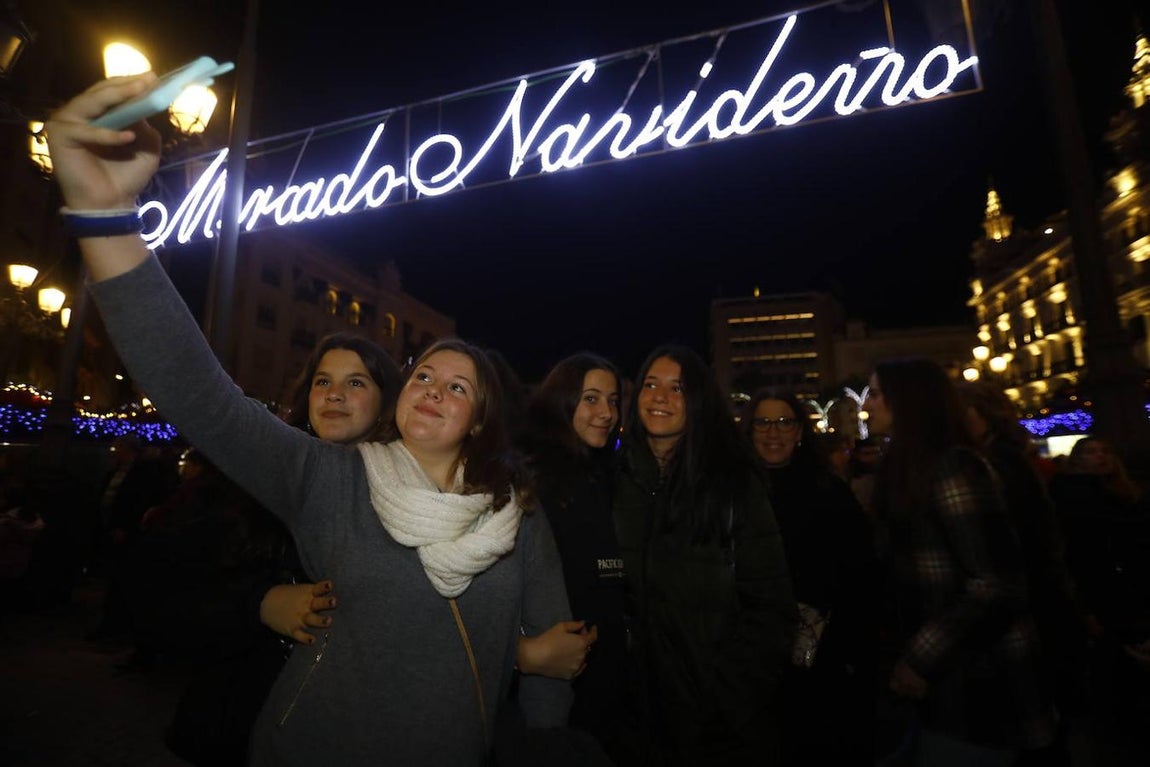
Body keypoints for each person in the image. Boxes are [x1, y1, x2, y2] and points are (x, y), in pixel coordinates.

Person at [45, 73, 572, 767]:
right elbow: (200, 393)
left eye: (458, 387)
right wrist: (106, 216)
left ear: (480, 421)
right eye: (422, 375)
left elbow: (555, 649)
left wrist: (541, 721)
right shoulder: (331, 477)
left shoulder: (515, 510)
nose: (433, 389)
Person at [163, 332, 403, 766]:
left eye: (355, 382)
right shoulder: (255, 478)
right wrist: (260, 602)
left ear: (386, 401)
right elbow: (178, 593)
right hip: (242, 713)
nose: (334, 394)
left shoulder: (407, 500)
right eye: (322, 381)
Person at [864, 358, 1056, 766]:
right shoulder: (909, 468)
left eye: (876, 394)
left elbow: (995, 585)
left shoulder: (952, 468)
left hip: (979, 687)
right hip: (950, 685)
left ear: (907, 400)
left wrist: (919, 661)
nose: (866, 406)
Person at [612, 344, 796, 765]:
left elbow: (772, 610)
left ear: (698, 401)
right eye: (650, 385)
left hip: (717, 727)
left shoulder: (732, 485)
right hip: (636, 721)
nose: (659, 397)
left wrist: (728, 703)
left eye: (677, 388)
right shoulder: (617, 482)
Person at [743, 387, 880, 766]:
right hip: (750, 662)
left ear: (800, 431)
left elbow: (861, 574)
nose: (773, 432)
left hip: (822, 661)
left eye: (784, 422)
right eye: (763, 423)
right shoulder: (732, 492)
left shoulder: (828, 490)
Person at [513, 352, 627, 760]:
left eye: (613, 401)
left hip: (605, 680)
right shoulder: (528, 477)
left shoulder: (605, 473)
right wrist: (524, 651)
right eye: (591, 399)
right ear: (561, 402)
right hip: (549, 686)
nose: (606, 413)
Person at [1048, 436, 1150, 763]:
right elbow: (1079, 553)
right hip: (1102, 592)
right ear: (1077, 460)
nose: (1100, 456)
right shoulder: (1073, 496)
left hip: (1130, 588)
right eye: (1091, 452)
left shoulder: (1128, 493)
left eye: (1105, 451)